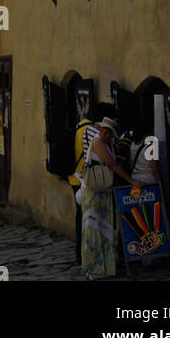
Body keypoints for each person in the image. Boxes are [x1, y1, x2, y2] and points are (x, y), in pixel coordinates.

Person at [79, 115, 133, 280]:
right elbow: (112, 164)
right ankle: (94, 267)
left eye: (107, 131)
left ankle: (105, 266)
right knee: (93, 228)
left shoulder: (109, 144)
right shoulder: (97, 143)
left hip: (104, 190)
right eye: (102, 130)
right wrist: (131, 181)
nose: (103, 133)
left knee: (105, 227)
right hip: (94, 190)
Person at [69, 103, 117, 263]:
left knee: (82, 218)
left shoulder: (80, 126)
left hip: (78, 177)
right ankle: (87, 256)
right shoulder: (91, 132)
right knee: (89, 221)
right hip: (88, 180)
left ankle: (81, 255)